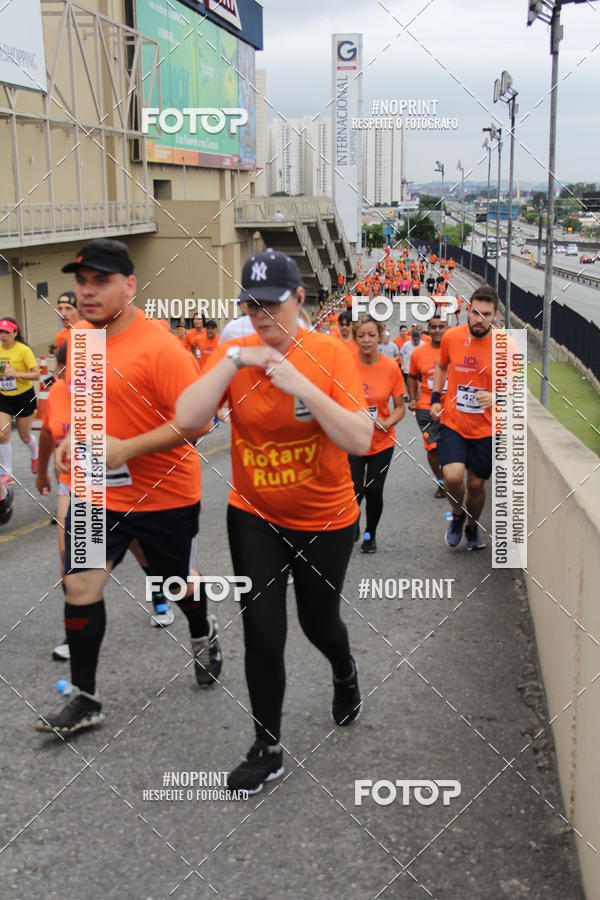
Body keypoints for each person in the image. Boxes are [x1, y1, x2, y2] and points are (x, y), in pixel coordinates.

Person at [176, 249, 373, 794]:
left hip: (325, 516)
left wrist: (302, 387)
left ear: (299, 300)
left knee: (318, 624)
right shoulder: (237, 352)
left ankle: (344, 667)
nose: (263, 317)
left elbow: (361, 438)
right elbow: (188, 420)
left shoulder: (331, 353)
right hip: (254, 513)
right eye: (252, 306)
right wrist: (231, 361)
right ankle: (267, 747)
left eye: (273, 306)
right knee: (263, 632)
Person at [35, 238, 216, 737]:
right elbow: (83, 403)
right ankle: (86, 698)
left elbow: (199, 421)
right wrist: (73, 436)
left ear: (129, 285)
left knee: (174, 581)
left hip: (164, 493)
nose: (88, 292)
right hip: (99, 490)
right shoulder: (83, 341)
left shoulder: (160, 346)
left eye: (102, 282)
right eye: (82, 282)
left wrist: (126, 449)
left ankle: (202, 631)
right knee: (80, 584)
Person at [431, 285, 499, 551]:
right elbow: (441, 366)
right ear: (467, 310)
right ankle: (457, 515)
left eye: (486, 314)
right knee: (452, 477)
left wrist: (496, 397)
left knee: (476, 484)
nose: (479, 319)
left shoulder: (505, 344)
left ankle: (472, 526)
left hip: (486, 427)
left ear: (495, 316)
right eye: (475, 313)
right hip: (454, 422)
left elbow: (515, 385)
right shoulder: (452, 337)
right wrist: (436, 398)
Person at [349, 315, 405, 553]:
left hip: (381, 441)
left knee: (373, 490)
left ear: (380, 336)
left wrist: (387, 421)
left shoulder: (391, 368)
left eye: (371, 335)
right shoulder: (346, 363)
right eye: (361, 335)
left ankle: (370, 534)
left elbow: (400, 407)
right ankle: (352, 524)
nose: (366, 340)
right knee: (353, 490)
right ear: (355, 338)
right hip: (352, 439)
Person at [407, 314, 448, 498]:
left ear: (446, 328)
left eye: (441, 327)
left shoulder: (455, 350)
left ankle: (450, 477)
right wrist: (413, 398)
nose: (437, 330)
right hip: (425, 404)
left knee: (448, 445)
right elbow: (412, 376)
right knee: (432, 446)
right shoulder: (419, 353)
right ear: (428, 330)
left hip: (451, 404)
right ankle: (441, 481)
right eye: (434, 327)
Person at [0, 317, 39, 485]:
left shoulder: (24, 351)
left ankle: (35, 454)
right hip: (3, 397)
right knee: (2, 434)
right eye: (0, 331)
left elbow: (36, 374)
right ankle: (8, 473)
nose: (3, 335)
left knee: (25, 437)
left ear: (15, 332)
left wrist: (16, 374)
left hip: (24, 397)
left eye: (7, 332)